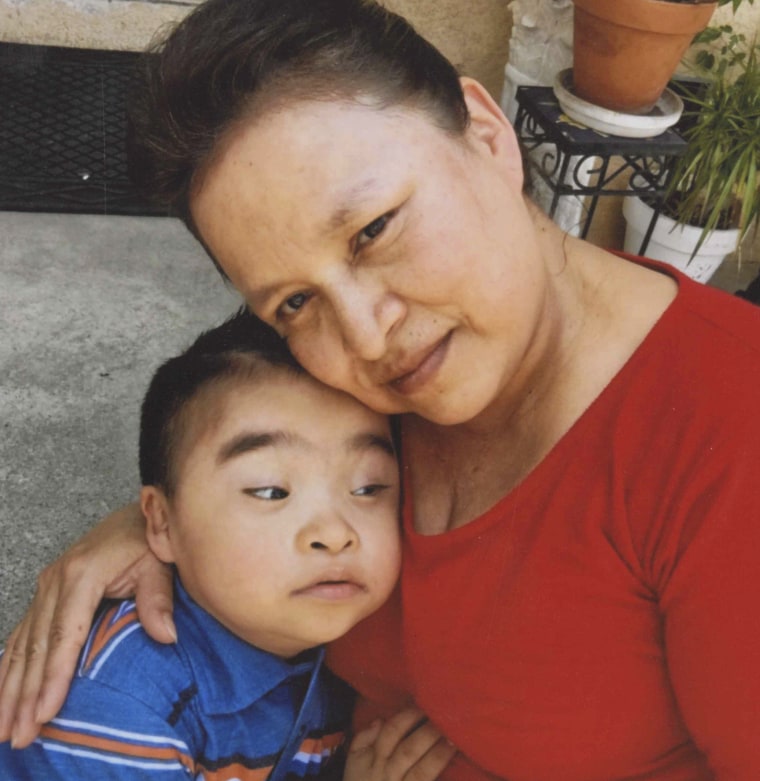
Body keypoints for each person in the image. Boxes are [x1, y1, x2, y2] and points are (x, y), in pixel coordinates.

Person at [2, 0, 760, 778]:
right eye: (294, 303)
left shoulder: (730, 433)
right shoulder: (358, 386)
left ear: (489, 136)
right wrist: (165, 521)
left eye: (374, 230)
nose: (366, 337)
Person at [0, 308, 455, 780]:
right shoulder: (121, 705)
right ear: (160, 522)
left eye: (368, 488)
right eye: (270, 491)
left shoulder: (343, 633)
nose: (336, 533)